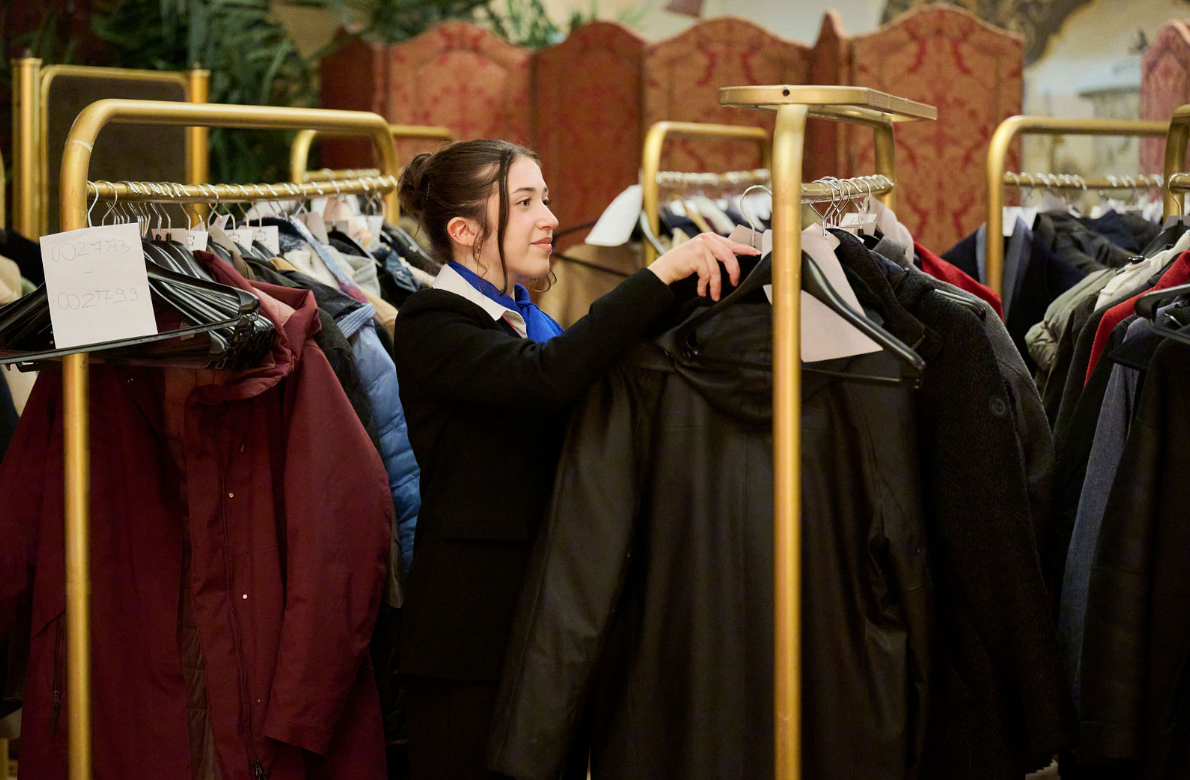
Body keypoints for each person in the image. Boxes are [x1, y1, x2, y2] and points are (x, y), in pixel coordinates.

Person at [390, 139, 758, 780]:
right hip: (468, 641)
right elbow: (546, 378)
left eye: (547, 198)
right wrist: (659, 275)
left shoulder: (526, 319)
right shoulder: (432, 323)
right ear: (464, 231)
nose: (550, 218)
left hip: (544, 622)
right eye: (525, 202)